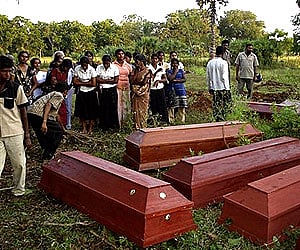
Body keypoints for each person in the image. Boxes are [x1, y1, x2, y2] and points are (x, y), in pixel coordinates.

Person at [0, 55, 32, 196]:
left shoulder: (15, 88)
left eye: (9, 71)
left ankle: (19, 189)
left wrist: (27, 135)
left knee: (19, 164)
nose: (7, 74)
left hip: (14, 131)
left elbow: (23, 112)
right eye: (3, 71)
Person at [27, 82, 69, 161]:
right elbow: (48, 105)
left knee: (44, 133)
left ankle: (45, 150)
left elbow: (56, 115)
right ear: (65, 91)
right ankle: (48, 155)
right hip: (38, 114)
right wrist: (44, 122)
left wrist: (63, 128)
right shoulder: (59, 95)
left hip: (31, 113)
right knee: (58, 133)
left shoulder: (52, 94)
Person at [206, 46, 232, 122]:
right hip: (223, 88)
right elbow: (224, 77)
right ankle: (223, 119)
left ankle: (216, 119)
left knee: (216, 105)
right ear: (223, 53)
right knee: (225, 106)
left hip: (214, 88)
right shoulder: (224, 63)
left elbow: (208, 77)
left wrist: (209, 87)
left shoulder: (210, 62)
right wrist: (227, 89)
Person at [73, 56, 98, 134]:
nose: (84, 66)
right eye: (83, 64)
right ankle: (83, 128)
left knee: (92, 110)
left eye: (86, 64)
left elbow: (93, 84)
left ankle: (90, 128)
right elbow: (75, 82)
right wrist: (87, 82)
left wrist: (81, 82)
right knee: (81, 110)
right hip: (81, 91)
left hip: (91, 92)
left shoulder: (92, 69)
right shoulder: (77, 69)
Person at [96, 54, 120, 130]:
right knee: (103, 107)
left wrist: (103, 80)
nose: (106, 64)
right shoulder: (99, 67)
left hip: (112, 90)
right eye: (104, 63)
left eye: (107, 62)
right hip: (102, 90)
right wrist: (109, 80)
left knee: (112, 107)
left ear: (110, 62)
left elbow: (115, 80)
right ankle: (103, 125)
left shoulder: (114, 68)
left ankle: (113, 125)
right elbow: (97, 79)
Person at [130, 54, 152, 129]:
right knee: (135, 110)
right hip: (134, 93)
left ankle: (143, 126)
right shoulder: (134, 70)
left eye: (137, 61)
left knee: (142, 111)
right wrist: (136, 71)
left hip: (143, 93)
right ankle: (136, 126)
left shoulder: (148, 70)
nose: (135, 63)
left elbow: (144, 82)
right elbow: (132, 81)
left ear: (142, 61)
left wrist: (137, 85)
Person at [113, 48, 132, 127]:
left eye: (122, 54)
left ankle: (126, 123)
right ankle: (119, 124)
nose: (121, 56)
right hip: (117, 87)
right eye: (119, 54)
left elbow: (130, 76)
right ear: (116, 55)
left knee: (126, 105)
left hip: (126, 87)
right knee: (118, 105)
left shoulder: (128, 65)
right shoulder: (113, 65)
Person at [148, 53, 168, 124]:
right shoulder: (148, 68)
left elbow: (165, 79)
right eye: (153, 59)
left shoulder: (161, 68)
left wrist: (159, 80)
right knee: (153, 105)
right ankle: (153, 121)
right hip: (151, 89)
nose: (154, 60)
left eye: (156, 59)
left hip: (160, 88)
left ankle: (163, 120)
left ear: (157, 60)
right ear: (151, 59)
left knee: (162, 104)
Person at [166, 58, 188, 123]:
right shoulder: (169, 71)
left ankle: (181, 120)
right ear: (171, 64)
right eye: (173, 63)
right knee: (171, 106)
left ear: (178, 64)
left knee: (182, 105)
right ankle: (171, 120)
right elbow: (170, 78)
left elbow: (184, 79)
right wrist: (175, 72)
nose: (175, 64)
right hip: (172, 90)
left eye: (176, 63)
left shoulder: (181, 71)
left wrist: (176, 80)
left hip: (181, 90)